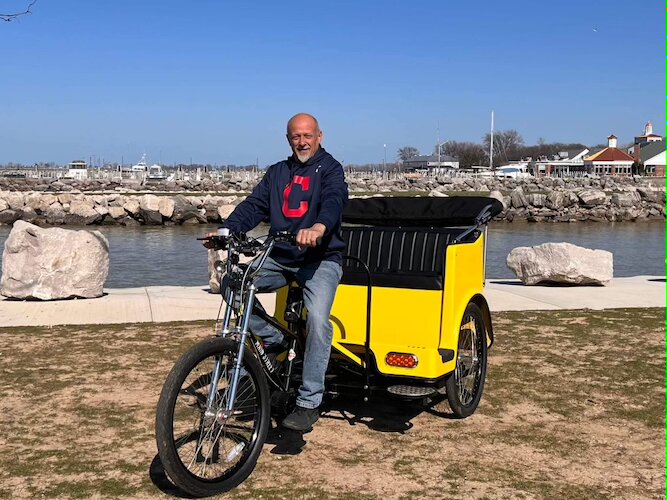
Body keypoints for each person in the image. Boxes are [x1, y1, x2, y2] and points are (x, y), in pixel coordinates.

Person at [209, 113, 348, 431]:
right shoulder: (277, 172)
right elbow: (254, 205)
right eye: (296, 136)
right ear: (289, 139)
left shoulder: (330, 170)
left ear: (320, 136)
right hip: (280, 255)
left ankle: (309, 401)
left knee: (317, 321)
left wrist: (318, 226)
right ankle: (275, 341)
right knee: (232, 282)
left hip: (321, 259)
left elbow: (334, 200)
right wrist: (226, 231)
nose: (302, 141)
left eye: (307, 135)